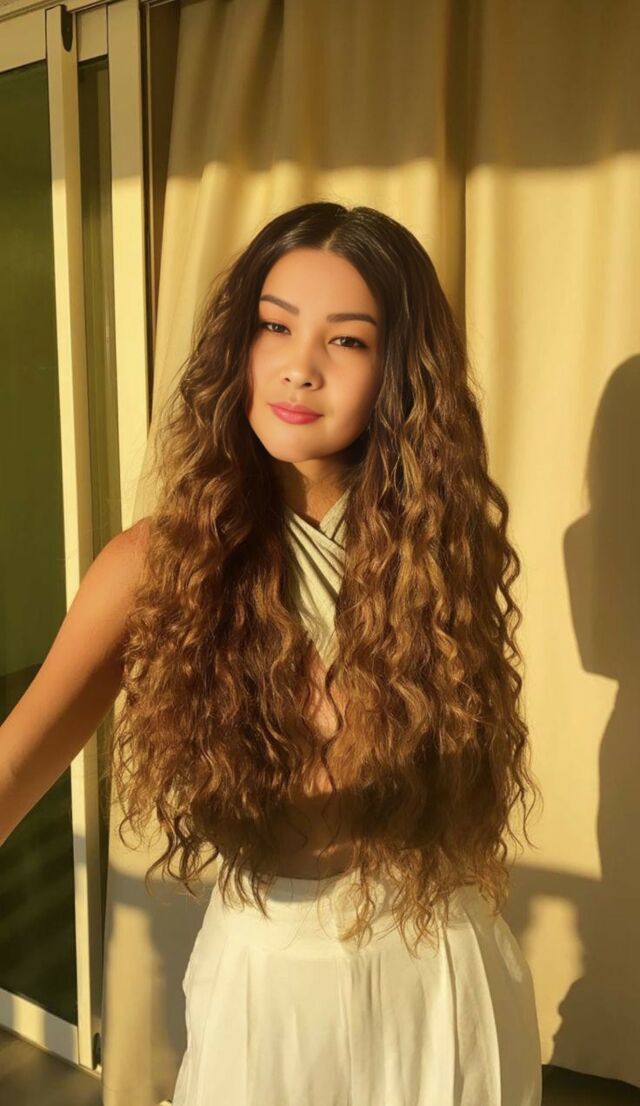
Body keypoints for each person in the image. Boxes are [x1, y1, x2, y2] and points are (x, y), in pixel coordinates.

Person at [0, 202, 543, 1105]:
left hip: (443, 970)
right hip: (268, 982)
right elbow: (16, 760)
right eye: (274, 326)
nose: (300, 366)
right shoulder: (154, 566)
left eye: (348, 341)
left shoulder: (438, 559)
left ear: (399, 372)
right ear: (237, 347)